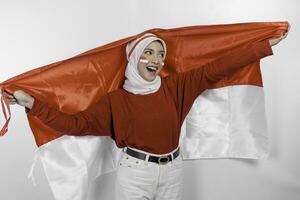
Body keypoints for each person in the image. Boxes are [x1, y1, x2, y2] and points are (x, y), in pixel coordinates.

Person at [1, 26, 289, 200]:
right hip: (135, 175)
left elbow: (218, 68)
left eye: (160, 54)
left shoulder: (177, 87)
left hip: (174, 171)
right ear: (135, 57)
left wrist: (263, 47)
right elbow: (76, 124)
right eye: (148, 53)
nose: (156, 59)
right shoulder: (116, 101)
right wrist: (32, 103)